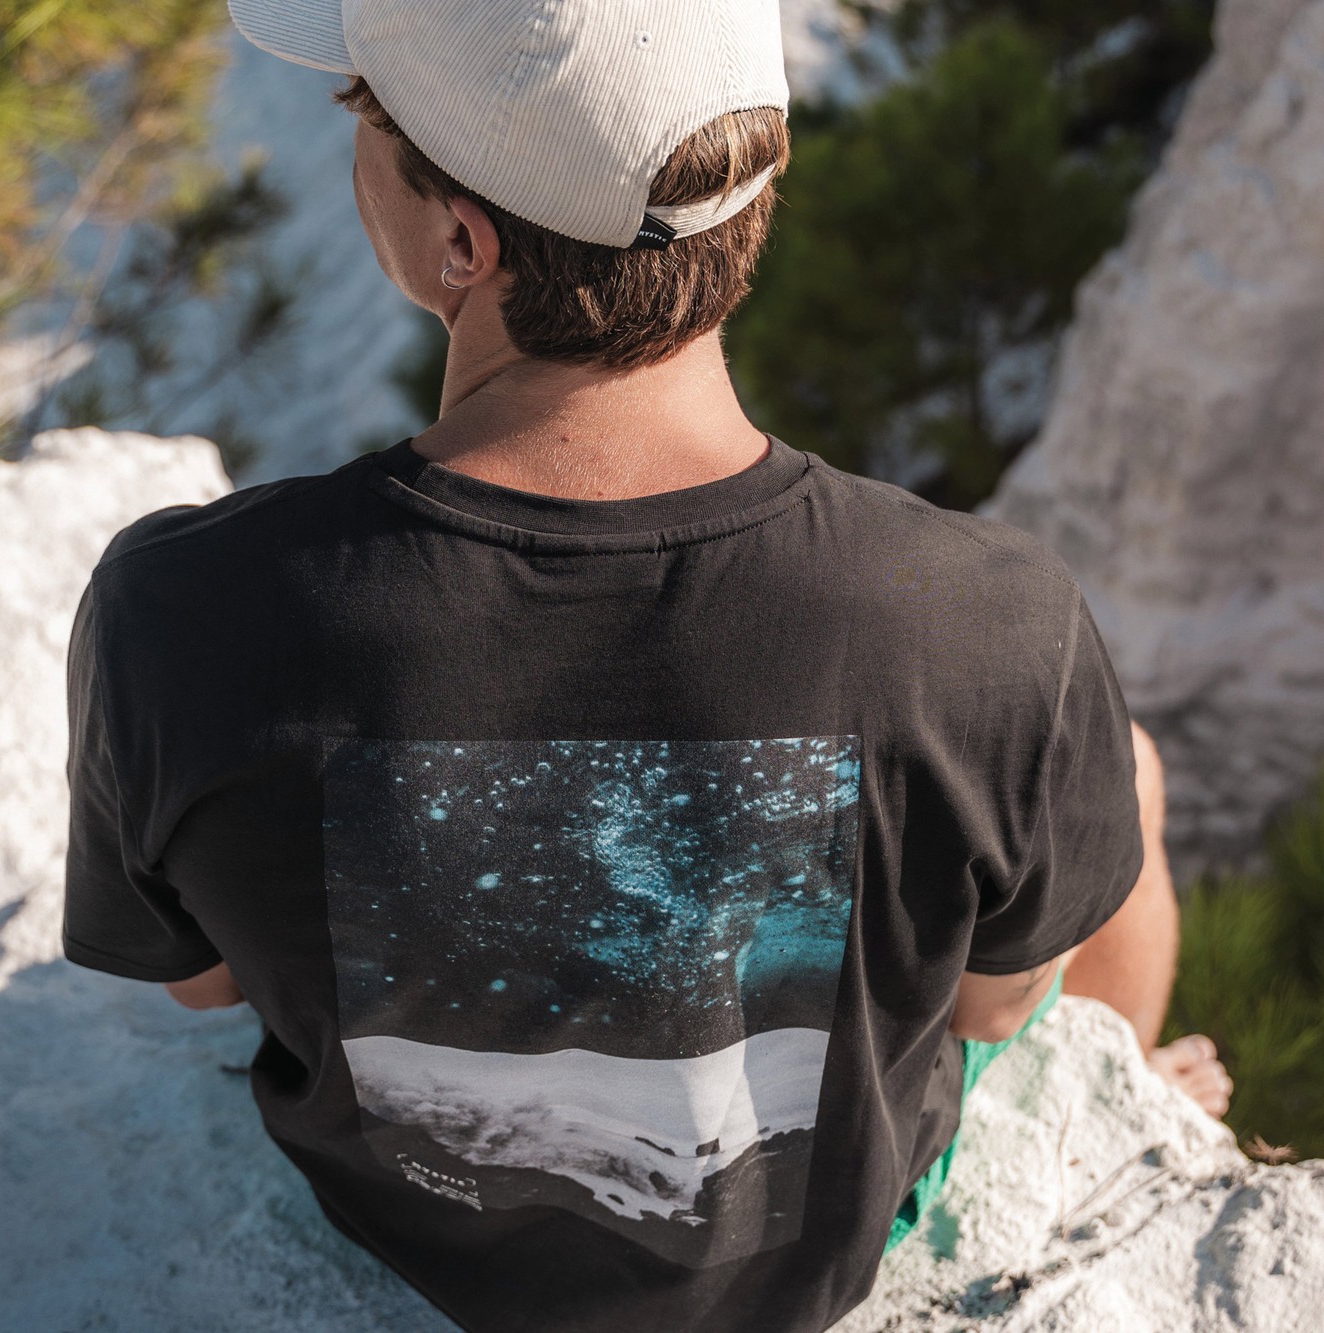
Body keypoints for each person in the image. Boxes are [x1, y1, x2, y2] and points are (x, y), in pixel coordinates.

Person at [62, 2, 1225, 1329]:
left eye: (365, 117)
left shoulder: (182, 610)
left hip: (408, 1244)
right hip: (819, 1267)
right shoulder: (994, 622)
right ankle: (1125, 1094)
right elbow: (995, 1006)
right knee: (1119, 776)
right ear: (757, 184)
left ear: (461, 242)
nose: (355, 149)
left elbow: (202, 980)